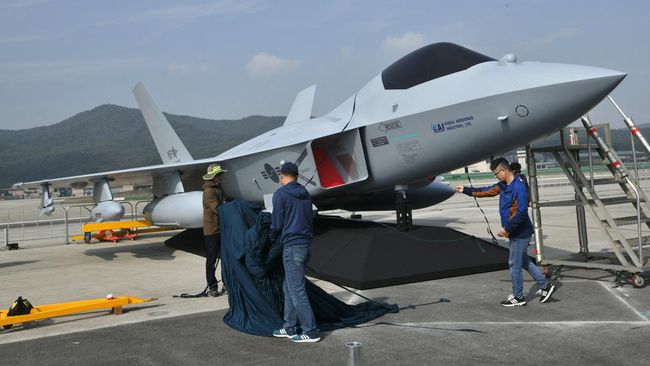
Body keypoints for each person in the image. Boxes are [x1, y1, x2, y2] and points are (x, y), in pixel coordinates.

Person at [455, 158, 556, 307]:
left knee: (514, 264)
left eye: (496, 173)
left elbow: (521, 212)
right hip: (516, 231)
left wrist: (507, 228)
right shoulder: (503, 185)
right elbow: (486, 191)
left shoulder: (518, 187)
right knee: (523, 261)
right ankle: (544, 286)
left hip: (520, 232)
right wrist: (466, 190)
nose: (495, 176)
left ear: (503, 171)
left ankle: (518, 296)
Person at [271, 161, 321, 343]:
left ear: (282, 176)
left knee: (297, 291)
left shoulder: (280, 194)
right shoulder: (305, 193)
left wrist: (269, 236)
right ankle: (289, 326)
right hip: (307, 245)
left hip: (292, 247)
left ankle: (311, 331)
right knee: (288, 287)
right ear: (297, 176)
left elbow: (276, 224)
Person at [202, 163, 227, 297]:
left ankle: (226, 283)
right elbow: (216, 208)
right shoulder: (209, 191)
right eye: (218, 175)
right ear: (213, 176)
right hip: (212, 230)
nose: (220, 177)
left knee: (225, 257)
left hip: (221, 228)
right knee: (211, 259)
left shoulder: (218, 188)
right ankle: (212, 286)